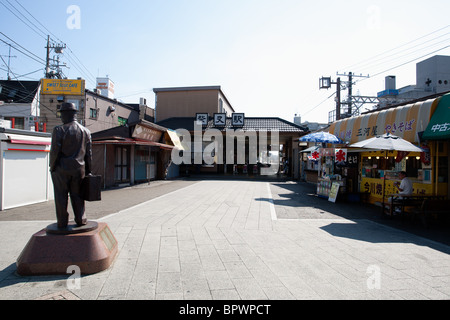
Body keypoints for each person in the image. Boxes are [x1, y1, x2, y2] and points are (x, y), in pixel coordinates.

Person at [50, 102, 92, 228]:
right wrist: (89, 171)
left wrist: (52, 167)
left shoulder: (59, 130)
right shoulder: (86, 131)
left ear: (66, 114)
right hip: (79, 169)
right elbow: (89, 155)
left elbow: (54, 152)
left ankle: (62, 221)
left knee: (61, 196)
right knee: (78, 195)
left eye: (61, 114)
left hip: (61, 169)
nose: (61, 117)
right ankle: (80, 219)